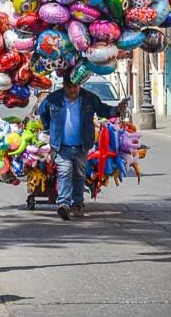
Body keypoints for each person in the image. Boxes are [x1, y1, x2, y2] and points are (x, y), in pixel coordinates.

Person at [39, 72, 126, 221]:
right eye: (68, 87)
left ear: (79, 85)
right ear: (63, 86)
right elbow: (43, 112)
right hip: (62, 146)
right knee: (64, 173)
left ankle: (78, 204)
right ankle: (64, 204)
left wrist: (117, 110)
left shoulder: (89, 98)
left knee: (79, 175)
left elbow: (103, 110)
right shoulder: (53, 99)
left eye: (75, 87)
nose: (72, 91)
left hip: (82, 145)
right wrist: (50, 130)